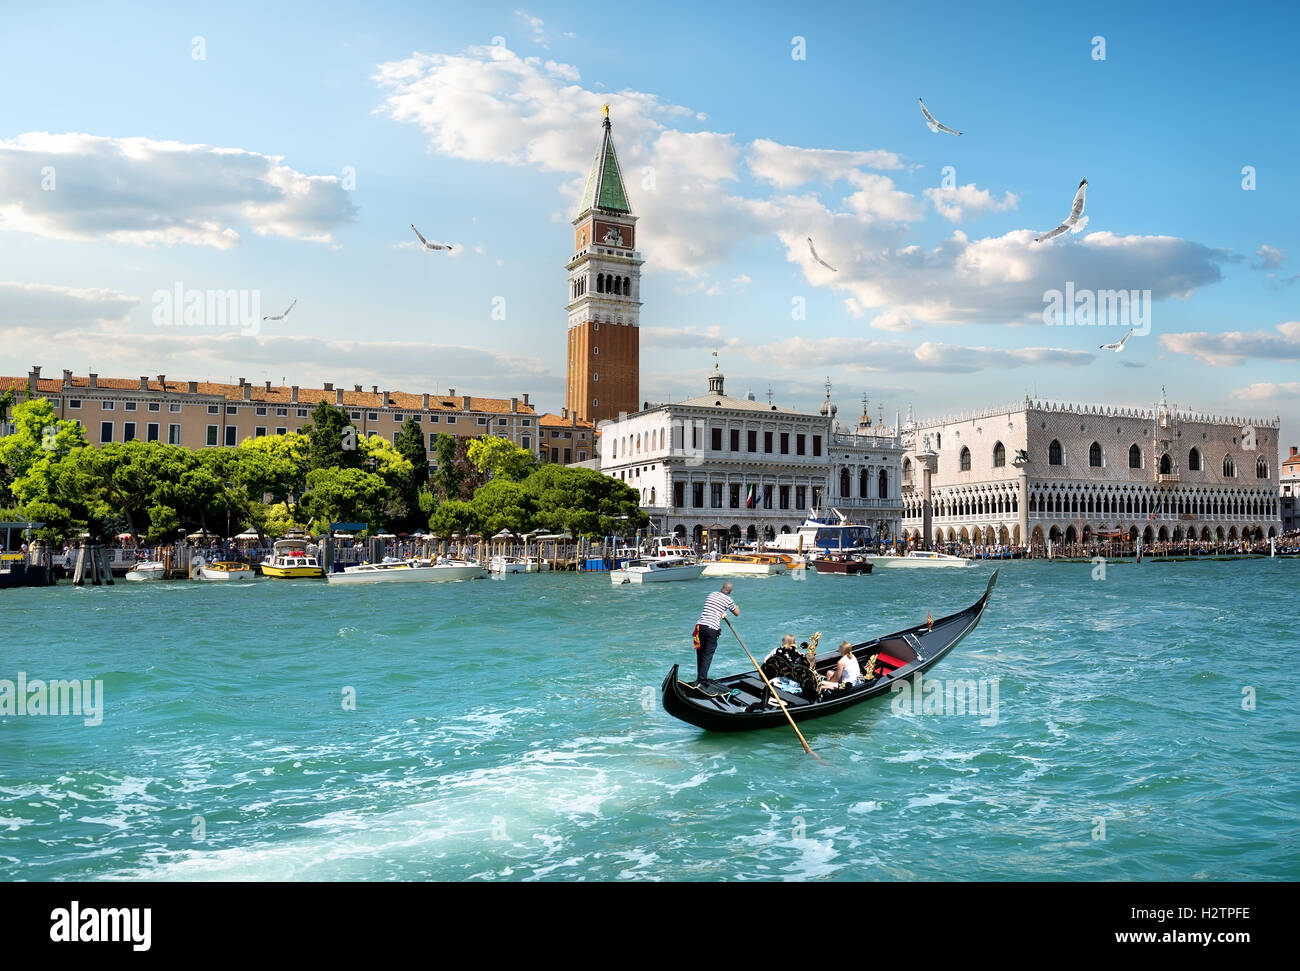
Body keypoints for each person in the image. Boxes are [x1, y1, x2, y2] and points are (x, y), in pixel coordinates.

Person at [693, 582, 739, 684]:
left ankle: (699, 678)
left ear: (721, 588)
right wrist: (730, 608)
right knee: (707, 654)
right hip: (711, 628)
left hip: (699, 627)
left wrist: (721, 612)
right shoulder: (728, 600)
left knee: (700, 653)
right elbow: (736, 613)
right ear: (730, 592)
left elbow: (713, 608)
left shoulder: (711, 594)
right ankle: (702, 680)